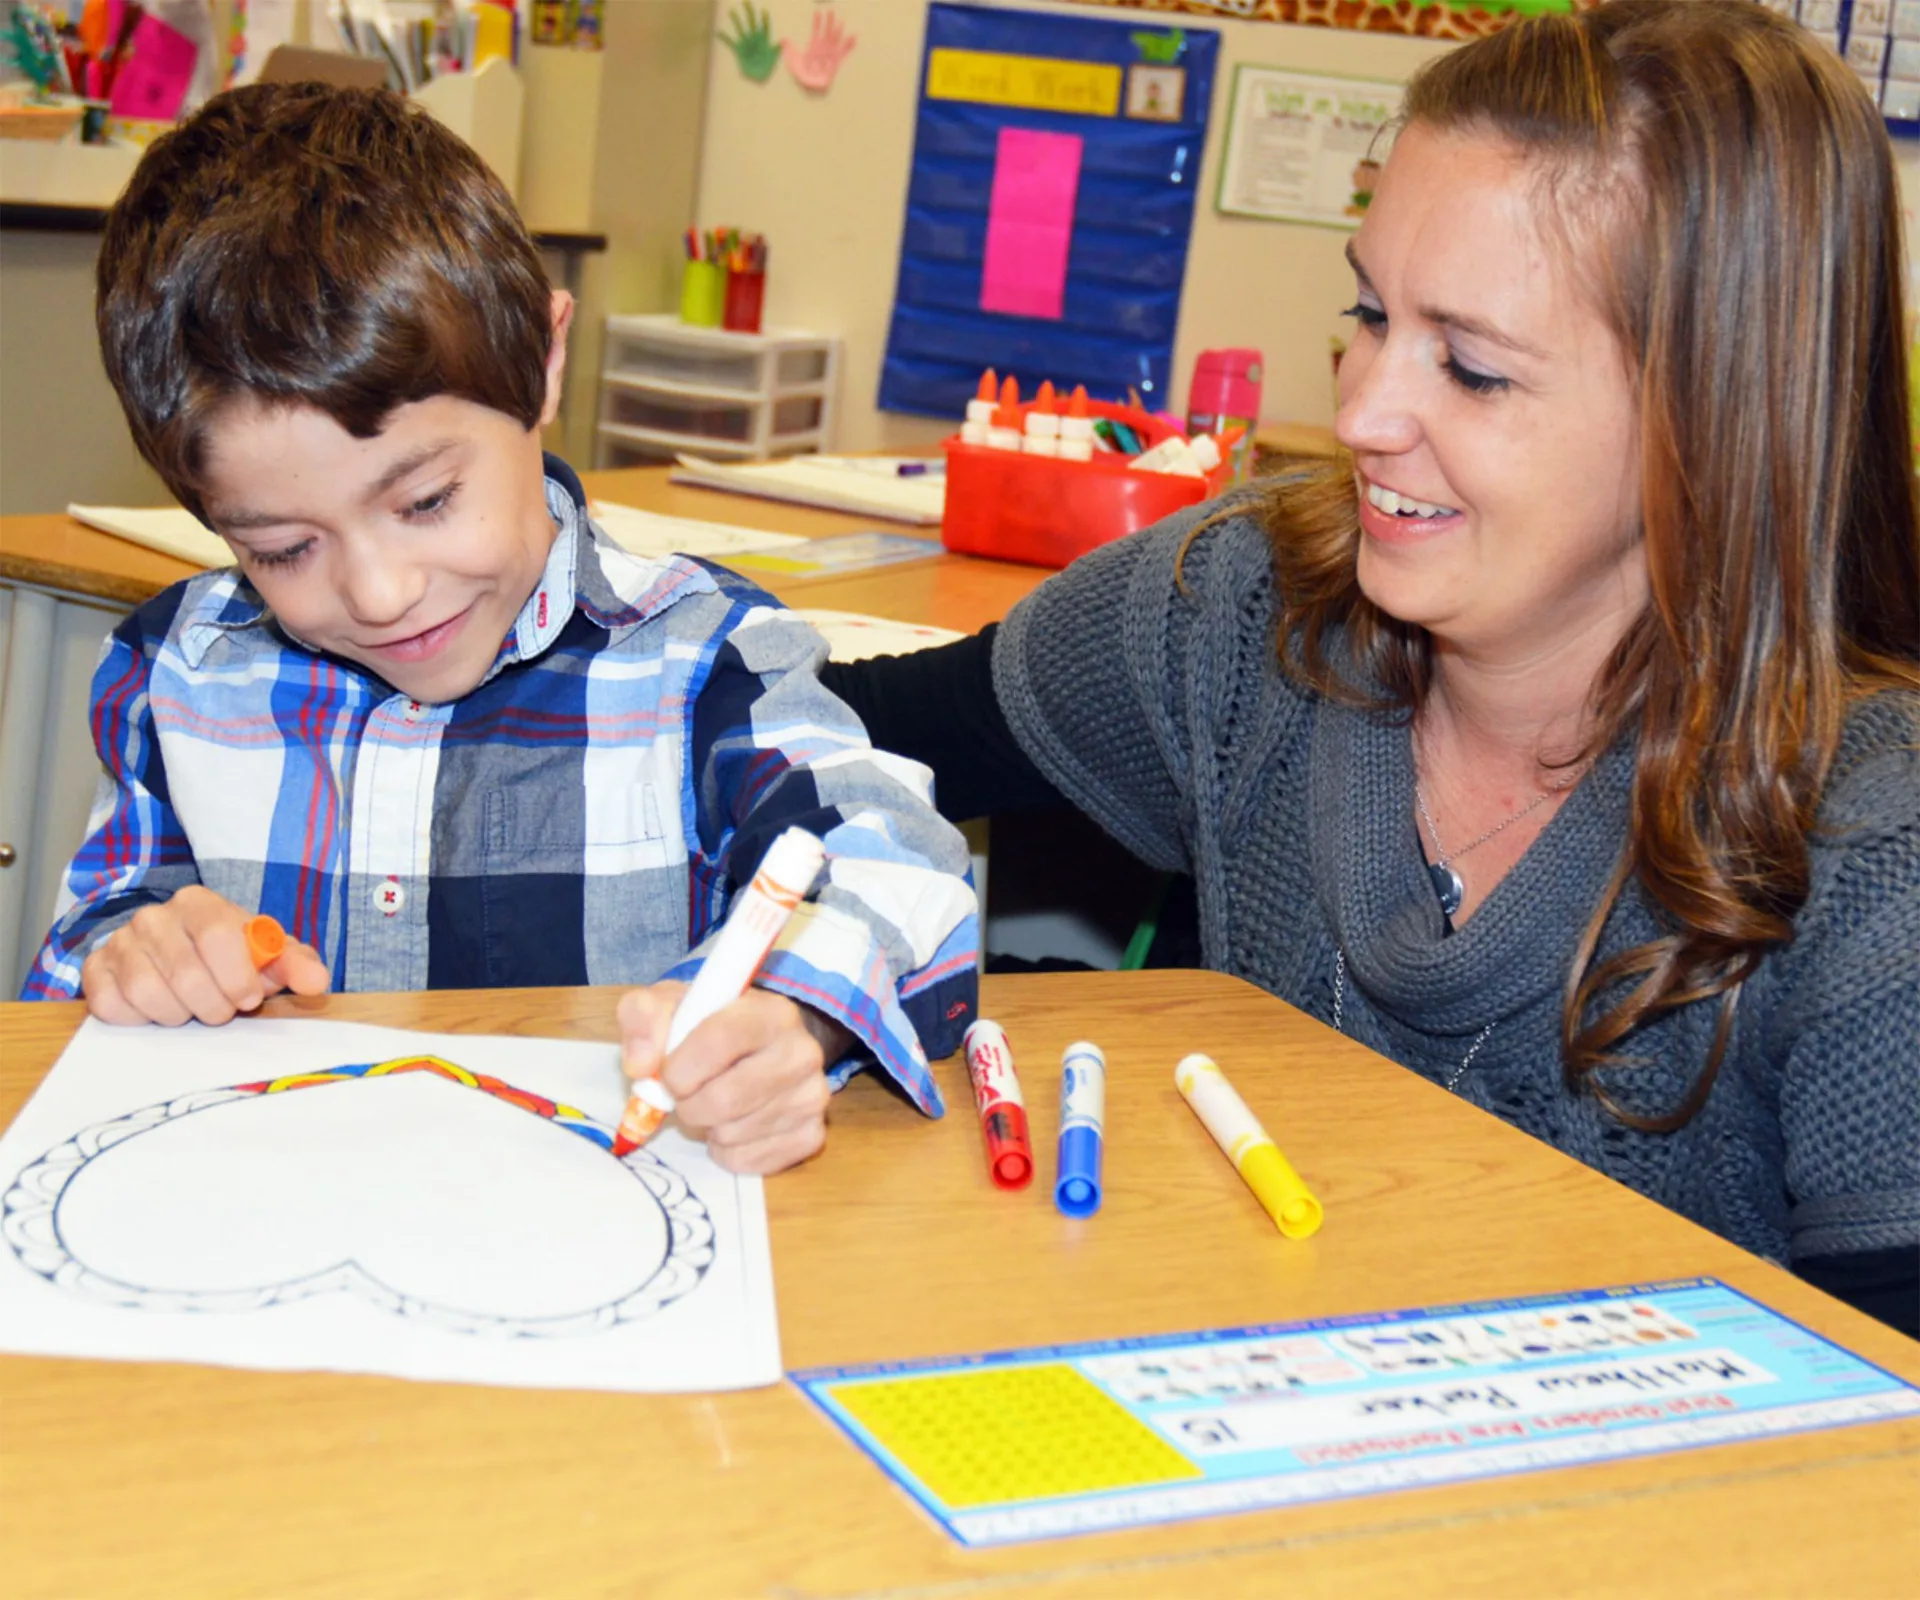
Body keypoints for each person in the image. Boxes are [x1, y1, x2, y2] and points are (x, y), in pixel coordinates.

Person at [827, 1, 1919, 1331]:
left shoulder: (1875, 854)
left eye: (1470, 368)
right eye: (1366, 311)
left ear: (1711, 421)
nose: (1358, 413)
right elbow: (846, 736)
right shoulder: (1239, 609)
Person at [21, 83, 980, 1176]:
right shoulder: (173, 675)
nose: (380, 594)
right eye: (284, 549)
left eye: (425, 501)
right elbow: (94, 933)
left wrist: (793, 1015)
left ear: (541, 364)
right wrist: (134, 953)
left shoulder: (700, 657)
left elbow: (898, 858)